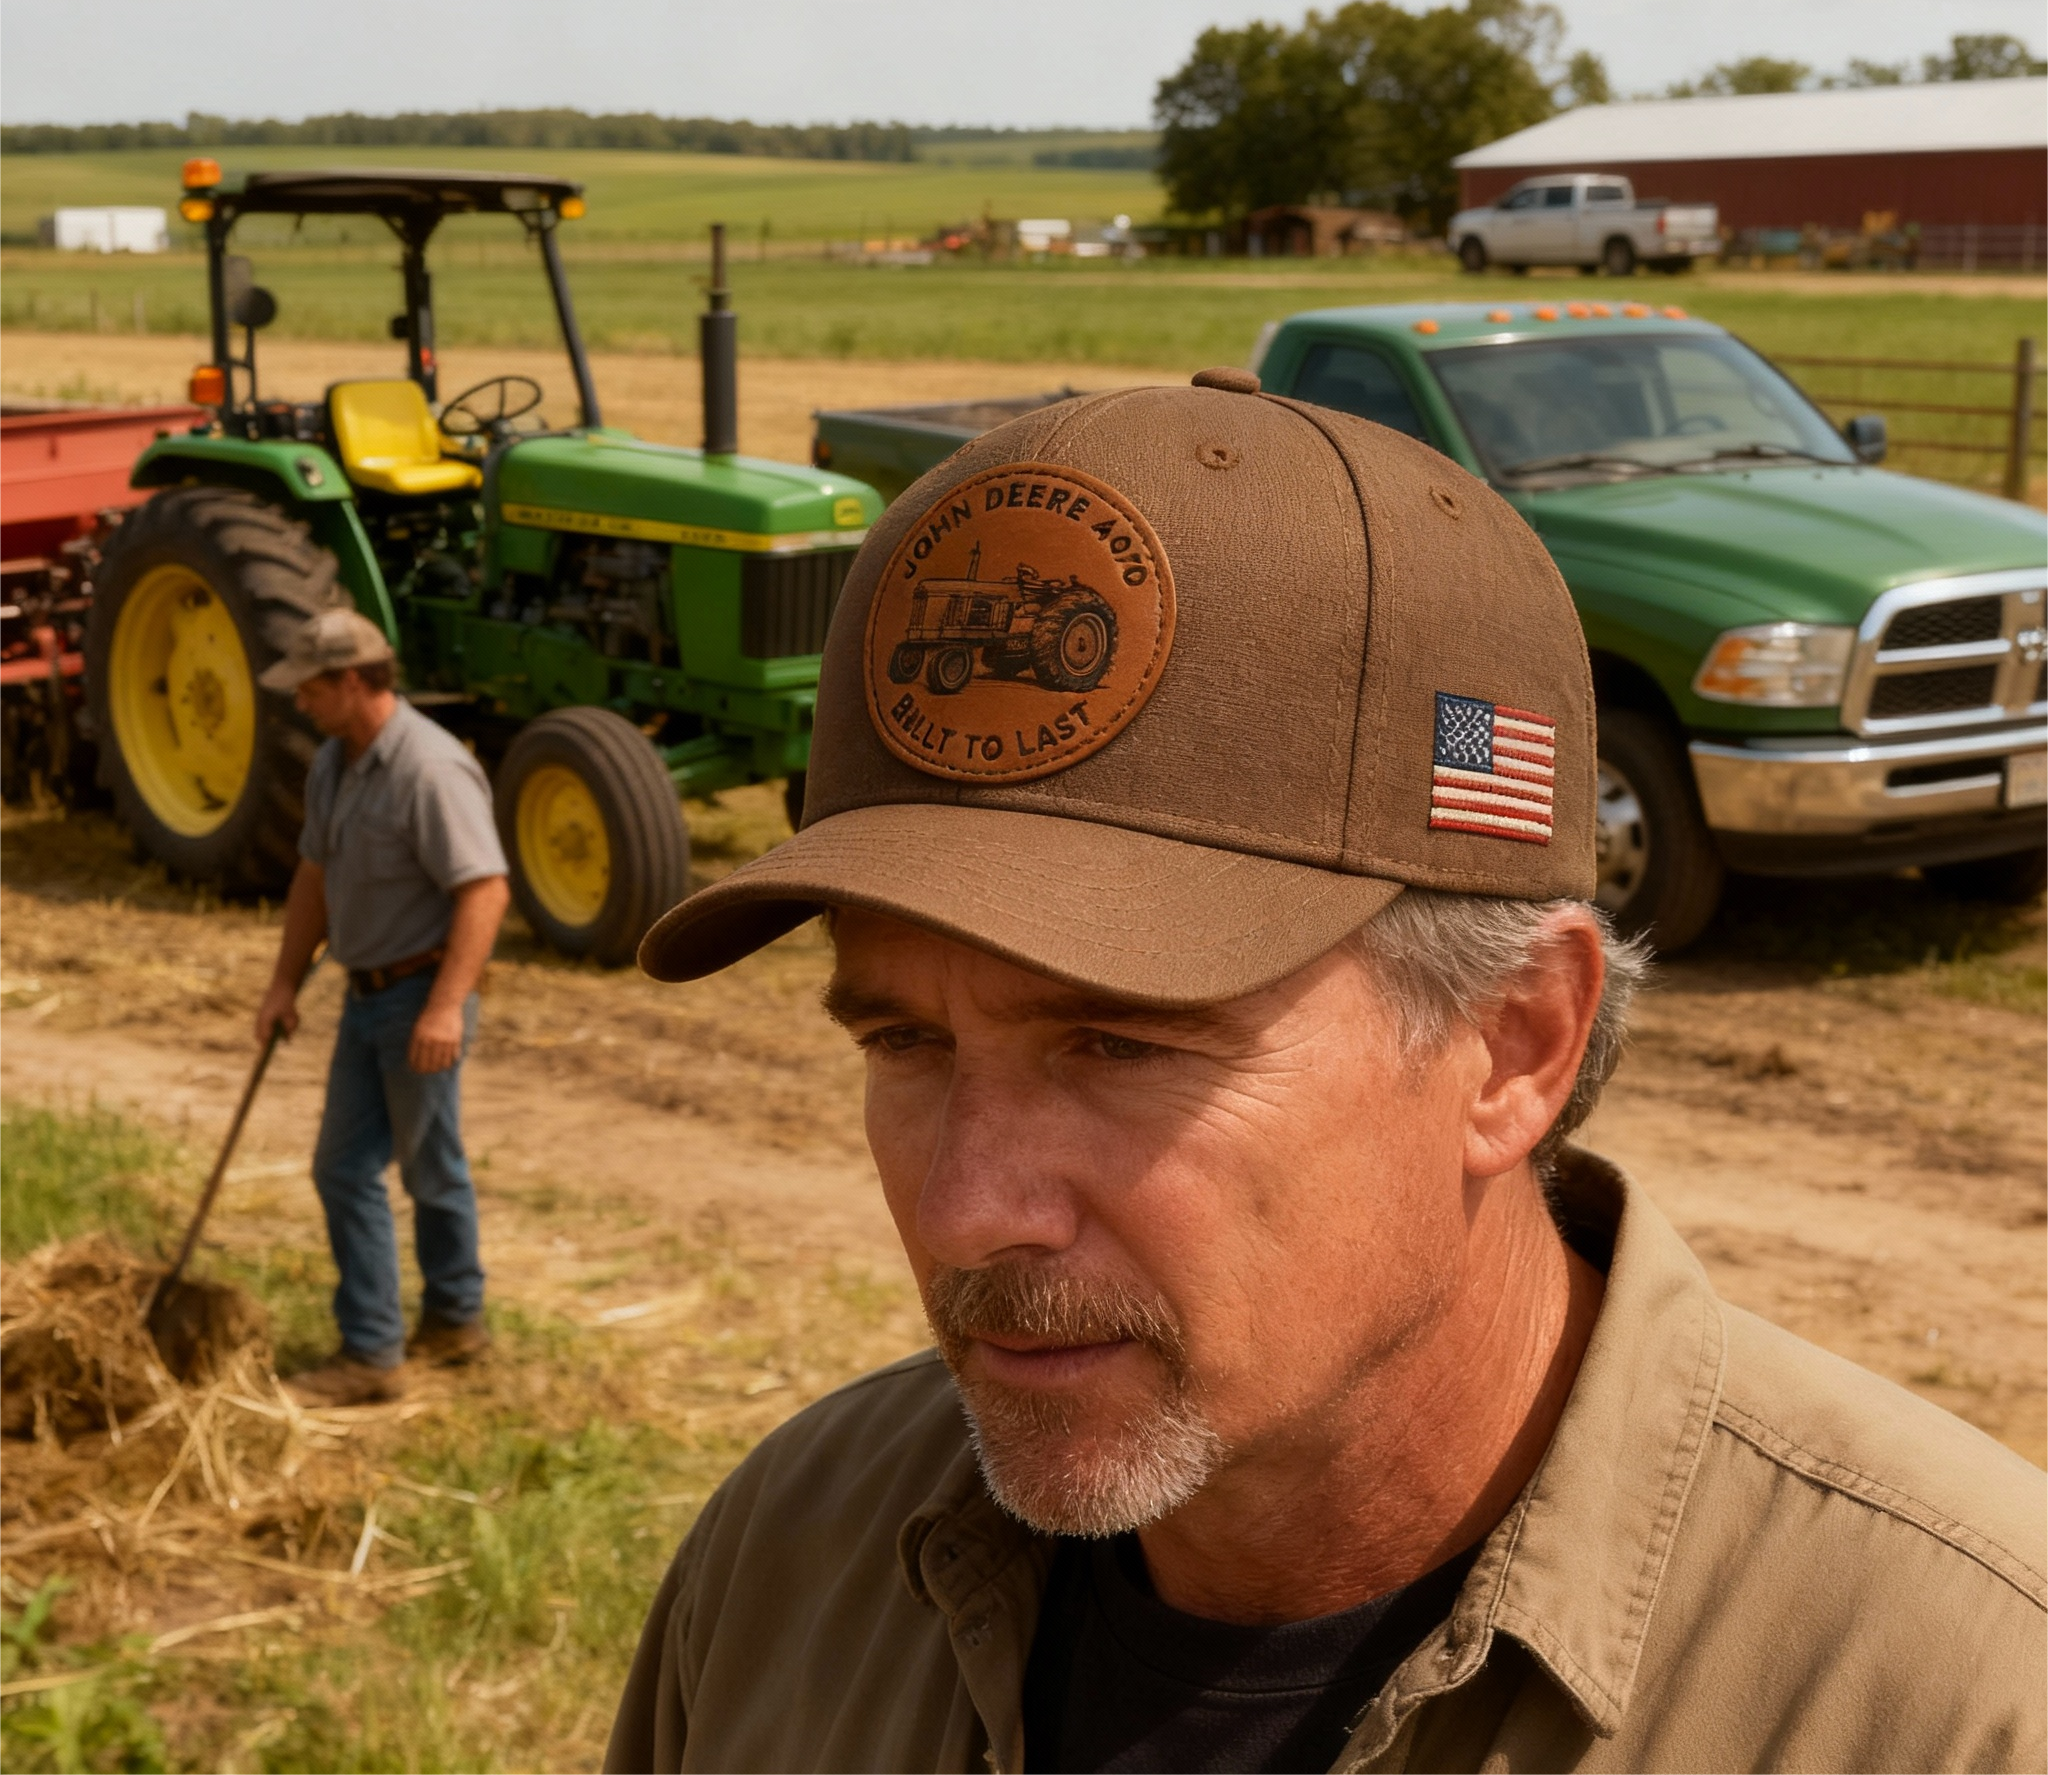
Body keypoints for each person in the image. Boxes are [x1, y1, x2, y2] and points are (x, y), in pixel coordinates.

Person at [604, 372, 2048, 1773]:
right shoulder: (794, 1558)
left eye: (1120, 1044)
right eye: (905, 1043)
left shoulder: (1961, 1701)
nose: (971, 1208)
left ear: (1514, 1043)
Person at [253, 608, 510, 1407]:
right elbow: (313, 878)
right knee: (352, 1168)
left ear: (354, 680)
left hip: (418, 998)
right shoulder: (335, 762)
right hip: (364, 996)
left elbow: (484, 891)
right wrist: (284, 982)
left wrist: (443, 1009)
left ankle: (417, 1333)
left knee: (422, 1168)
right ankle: (413, 1333)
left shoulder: (428, 770)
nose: (299, 701)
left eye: (311, 687)